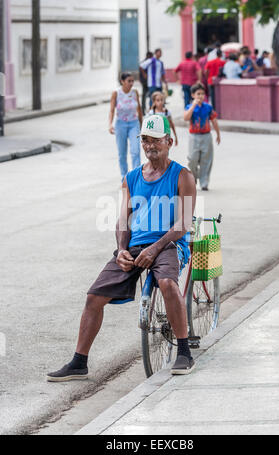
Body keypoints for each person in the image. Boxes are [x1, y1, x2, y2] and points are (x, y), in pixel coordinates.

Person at [47, 115, 197, 382]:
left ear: (169, 141)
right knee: (94, 297)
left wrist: (155, 248)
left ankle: (184, 351)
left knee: (167, 284)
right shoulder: (131, 177)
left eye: (156, 140)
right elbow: (122, 219)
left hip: (169, 243)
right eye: (146, 140)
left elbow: (184, 223)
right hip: (135, 245)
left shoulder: (183, 176)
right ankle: (79, 362)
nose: (150, 145)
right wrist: (121, 249)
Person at [184, 83, 221, 191]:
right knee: (192, 159)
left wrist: (218, 134)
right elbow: (186, 118)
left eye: (202, 94)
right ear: (192, 95)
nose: (200, 96)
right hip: (194, 136)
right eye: (198, 94)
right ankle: (194, 176)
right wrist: (193, 106)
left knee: (206, 160)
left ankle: (204, 182)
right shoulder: (189, 106)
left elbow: (214, 120)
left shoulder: (208, 107)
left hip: (206, 136)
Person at [109, 73, 143, 181]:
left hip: (134, 123)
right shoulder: (116, 93)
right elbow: (111, 110)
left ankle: (136, 177)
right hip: (120, 125)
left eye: (133, 81)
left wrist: (142, 125)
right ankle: (124, 176)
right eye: (129, 81)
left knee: (136, 151)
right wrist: (110, 124)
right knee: (122, 153)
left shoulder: (135, 92)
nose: (131, 83)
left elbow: (139, 110)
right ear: (122, 81)